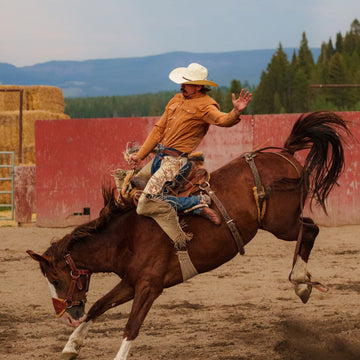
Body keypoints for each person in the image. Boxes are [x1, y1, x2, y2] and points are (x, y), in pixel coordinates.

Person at [128, 62, 251, 236]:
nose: (182, 86)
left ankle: (196, 203)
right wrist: (139, 155)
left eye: (186, 83)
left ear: (198, 86)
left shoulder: (206, 106)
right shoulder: (176, 100)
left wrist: (235, 112)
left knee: (145, 204)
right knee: (131, 185)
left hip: (175, 163)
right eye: (183, 82)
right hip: (160, 158)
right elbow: (158, 130)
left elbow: (222, 120)